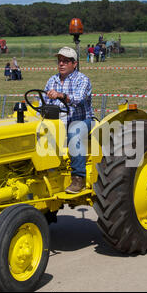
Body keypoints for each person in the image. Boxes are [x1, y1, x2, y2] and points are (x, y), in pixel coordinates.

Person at [43, 46, 94, 193]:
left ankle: (79, 178)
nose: (61, 64)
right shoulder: (52, 80)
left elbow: (77, 100)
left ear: (74, 64)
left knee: (74, 133)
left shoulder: (82, 80)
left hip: (81, 119)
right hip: (58, 121)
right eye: (59, 61)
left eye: (66, 61)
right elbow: (42, 103)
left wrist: (61, 95)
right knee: (39, 133)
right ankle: (48, 173)